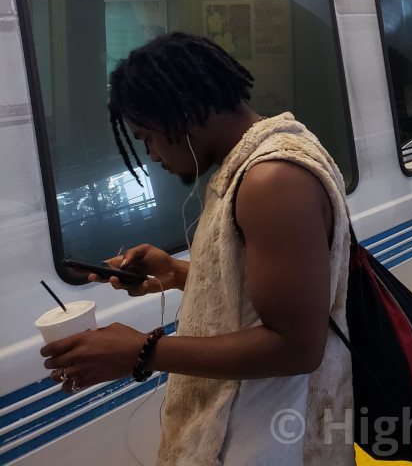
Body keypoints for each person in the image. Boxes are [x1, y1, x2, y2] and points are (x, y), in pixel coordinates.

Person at [41, 33, 355, 465]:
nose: (150, 154)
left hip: (271, 440)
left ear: (185, 114)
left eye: (148, 136)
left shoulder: (273, 181)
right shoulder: (249, 167)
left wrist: (142, 352)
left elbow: (297, 346)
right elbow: (267, 298)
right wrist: (178, 273)